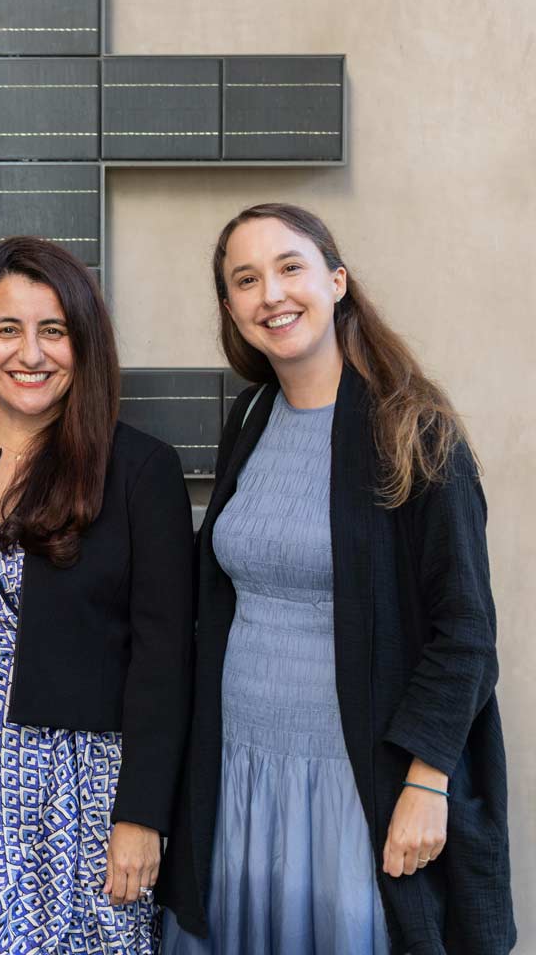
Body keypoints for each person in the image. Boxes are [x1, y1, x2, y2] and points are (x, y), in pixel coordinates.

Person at [158, 204, 515, 954]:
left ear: (337, 279)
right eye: (246, 280)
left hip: (352, 784)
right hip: (239, 772)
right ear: (231, 308)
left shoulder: (412, 431)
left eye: (291, 267)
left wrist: (427, 781)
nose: (272, 295)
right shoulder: (253, 416)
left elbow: (466, 634)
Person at [0, 236, 194, 952]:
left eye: (53, 330)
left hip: (85, 791)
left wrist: (143, 815)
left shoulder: (140, 469)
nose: (30, 353)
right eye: (8, 329)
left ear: (82, 344)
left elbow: (164, 658)